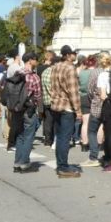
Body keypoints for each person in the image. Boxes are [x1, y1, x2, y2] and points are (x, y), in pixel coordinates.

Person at [49, 45, 82, 178]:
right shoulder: (70, 68)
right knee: (64, 138)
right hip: (67, 106)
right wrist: (78, 110)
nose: (75, 55)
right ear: (68, 55)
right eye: (74, 53)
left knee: (60, 136)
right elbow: (73, 91)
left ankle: (60, 164)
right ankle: (63, 167)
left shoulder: (55, 67)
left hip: (56, 105)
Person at [12, 53, 42, 173]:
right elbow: (38, 96)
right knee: (29, 136)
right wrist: (41, 112)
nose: (37, 62)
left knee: (20, 136)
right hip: (29, 109)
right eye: (36, 60)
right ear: (30, 61)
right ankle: (24, 163)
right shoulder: (34, 77)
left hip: (17, 109)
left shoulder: (17, 73)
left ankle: (17, 163)